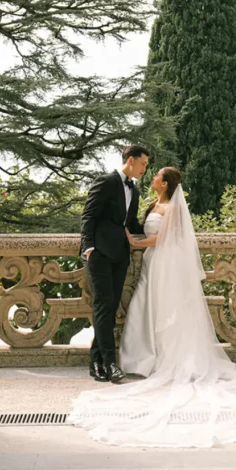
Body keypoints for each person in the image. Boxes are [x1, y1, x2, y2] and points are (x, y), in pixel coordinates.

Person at [68, 168, 236, 448]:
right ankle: (131, 356)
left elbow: (165, 237)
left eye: (156, 175)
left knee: (164, 310)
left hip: (164, 263)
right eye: (149, 169)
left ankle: (157, 357)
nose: (151, 176)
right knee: (142, 307)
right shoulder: (149, 203)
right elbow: (129, 223)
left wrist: (138, 242)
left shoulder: (171, 207)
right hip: (149, 263)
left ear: (166, 183)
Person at [79, 144, 149, 384]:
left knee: (109, 308)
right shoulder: (106, 182)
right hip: (98, 254)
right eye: (143, 164)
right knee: (102, 305)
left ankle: (96, 362)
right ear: (130, 160)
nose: (144, 169)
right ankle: (110, 363)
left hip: (120, 256)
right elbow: (89, 215)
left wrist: (164, 220)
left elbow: (130, 224)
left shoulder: (135, 192)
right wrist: (88, 248)